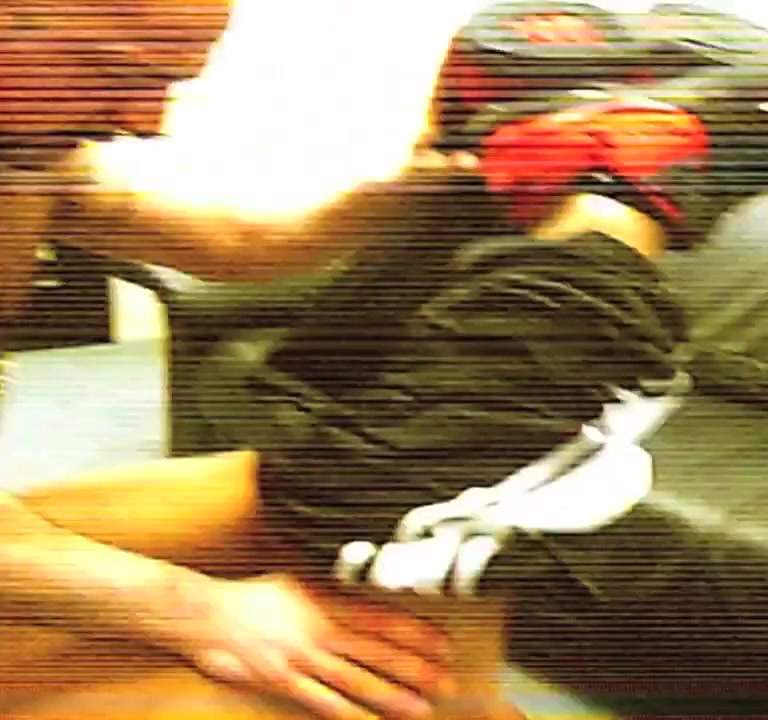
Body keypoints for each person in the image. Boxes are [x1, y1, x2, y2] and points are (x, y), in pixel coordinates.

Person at [0, 3, 525, 718]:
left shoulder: (25, 158)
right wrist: (198, 611)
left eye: (166, 83)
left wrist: (417, 185)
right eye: (113, 72)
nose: (146, 120)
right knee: (302, 696)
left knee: (392, 504)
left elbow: (235, 244)